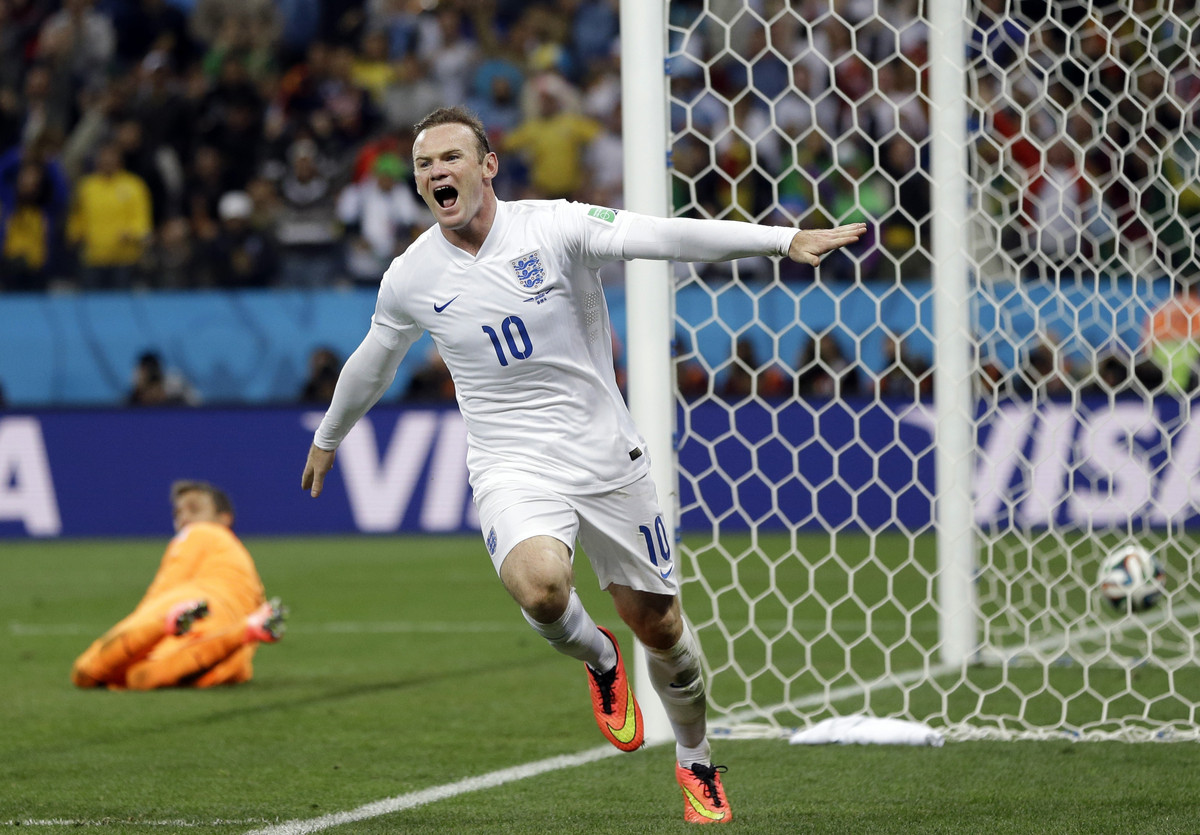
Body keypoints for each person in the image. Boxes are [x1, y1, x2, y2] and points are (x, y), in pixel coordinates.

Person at [301, 106, 865, 825]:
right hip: (511, 463)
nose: (437, 172)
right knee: (540, 589)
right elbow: (374, 359)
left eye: (450, 157)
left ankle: (696, 760)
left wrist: (782, 239)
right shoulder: (411, 276)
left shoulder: (554, 227)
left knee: (662, 629)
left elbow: (658, 235)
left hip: (605, 455)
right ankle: (602, 659)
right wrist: (329, 435)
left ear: (487, 165)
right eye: (423, 164)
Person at [71, 481, 287, 691]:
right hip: (229, 656)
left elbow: (162, 591)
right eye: (177, 513)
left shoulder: (200, 532)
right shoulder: (243, 563)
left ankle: (167, 622)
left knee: (86, 671)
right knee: (141, 677)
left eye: (194, 508)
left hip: (199, 610)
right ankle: (247, 630)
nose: (184, 518)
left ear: (224, 518)